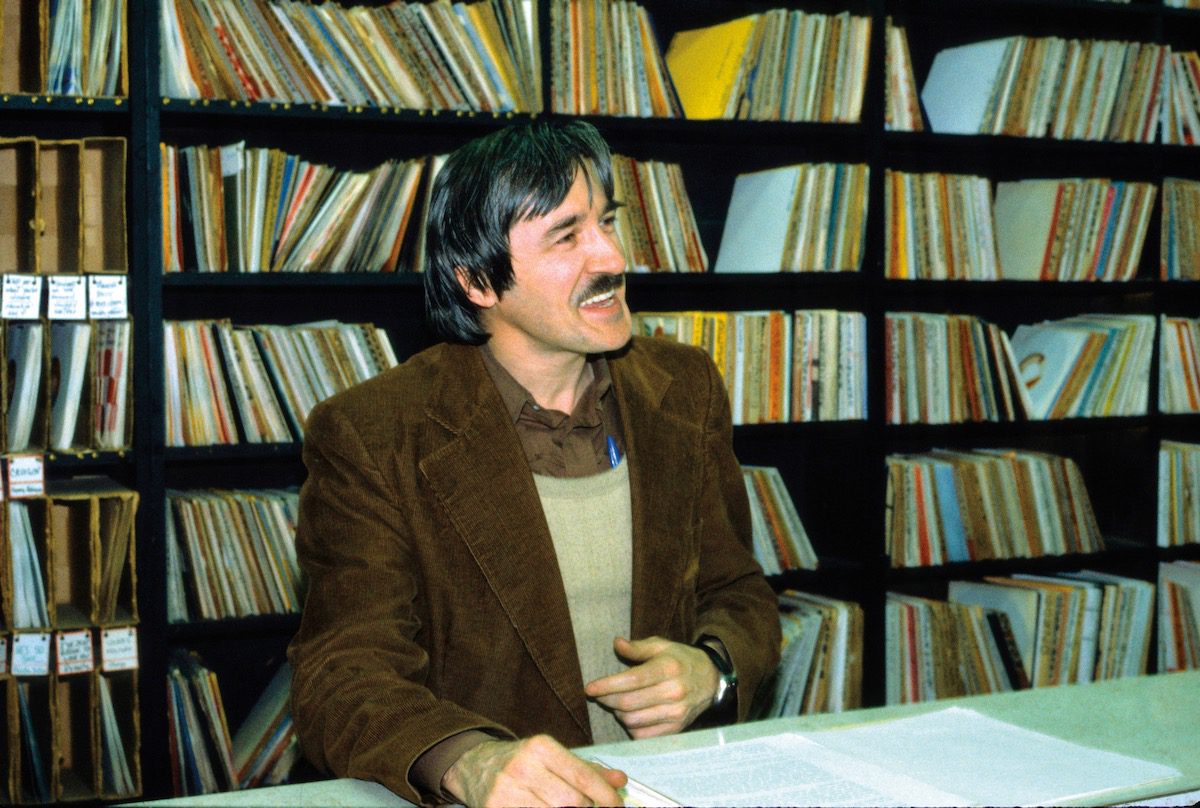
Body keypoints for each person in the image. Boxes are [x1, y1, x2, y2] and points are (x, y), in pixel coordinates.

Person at [288, 119, 781, 807]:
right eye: (567, 235)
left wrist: (712, 668)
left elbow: (739, 592)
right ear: (479, 282)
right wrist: (471, 762)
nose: (610, 258)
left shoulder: (685, 387)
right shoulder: (374, 432)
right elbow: (345, 672)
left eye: (608, 223)